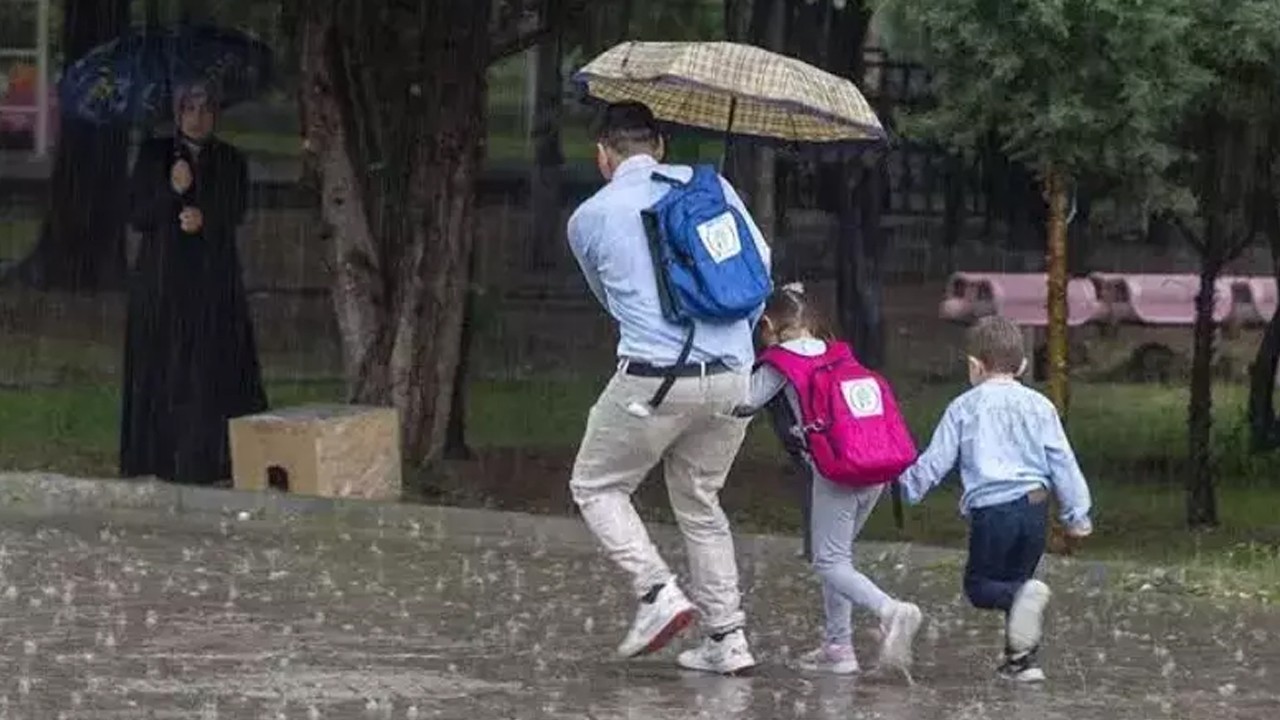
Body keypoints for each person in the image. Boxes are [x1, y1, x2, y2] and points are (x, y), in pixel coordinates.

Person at [566, 101, 770, 675]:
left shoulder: (589, 217)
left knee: (597, 485)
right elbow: (760, 272)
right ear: (659, 145)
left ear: (603, 155)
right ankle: (728, 639)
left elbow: (609, 299)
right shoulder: (714, 189)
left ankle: (657, 593)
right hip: (734, 376)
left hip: (654, 378)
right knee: (702, 504)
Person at [732, 284, 923, 675]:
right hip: (875, 468)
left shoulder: (780, 364)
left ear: (767, 324)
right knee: (838, 558)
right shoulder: (839, 355)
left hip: (836, 472)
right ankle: (839, 648)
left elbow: (742, 402)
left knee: (829, 561)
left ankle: (891, 611)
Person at [897, 315, 1093, 682]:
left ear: (975, 366)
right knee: (1020, 582)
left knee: (982, 586)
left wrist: (906, 487)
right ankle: (1022, 662)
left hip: (993, 510)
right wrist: (1077, 515)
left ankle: (1021, 614)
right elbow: (1063, 460)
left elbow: (937, 460)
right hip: (1036, 505)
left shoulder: (964, 407)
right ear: (1022, 365)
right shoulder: (1040, 406)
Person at [119, 80, 267, 485]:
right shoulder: (155, 155)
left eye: (205, 109)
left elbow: (235, 210)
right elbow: (138, 215)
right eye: (189, 109)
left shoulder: (230, 159)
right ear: (178, 113)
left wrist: (205, 218)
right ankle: (157, 456)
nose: (197, 118)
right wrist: (173, 192)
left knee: (208, 368)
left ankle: (208, 458)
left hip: (211, 279)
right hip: (162, 279)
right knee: (163, 367)